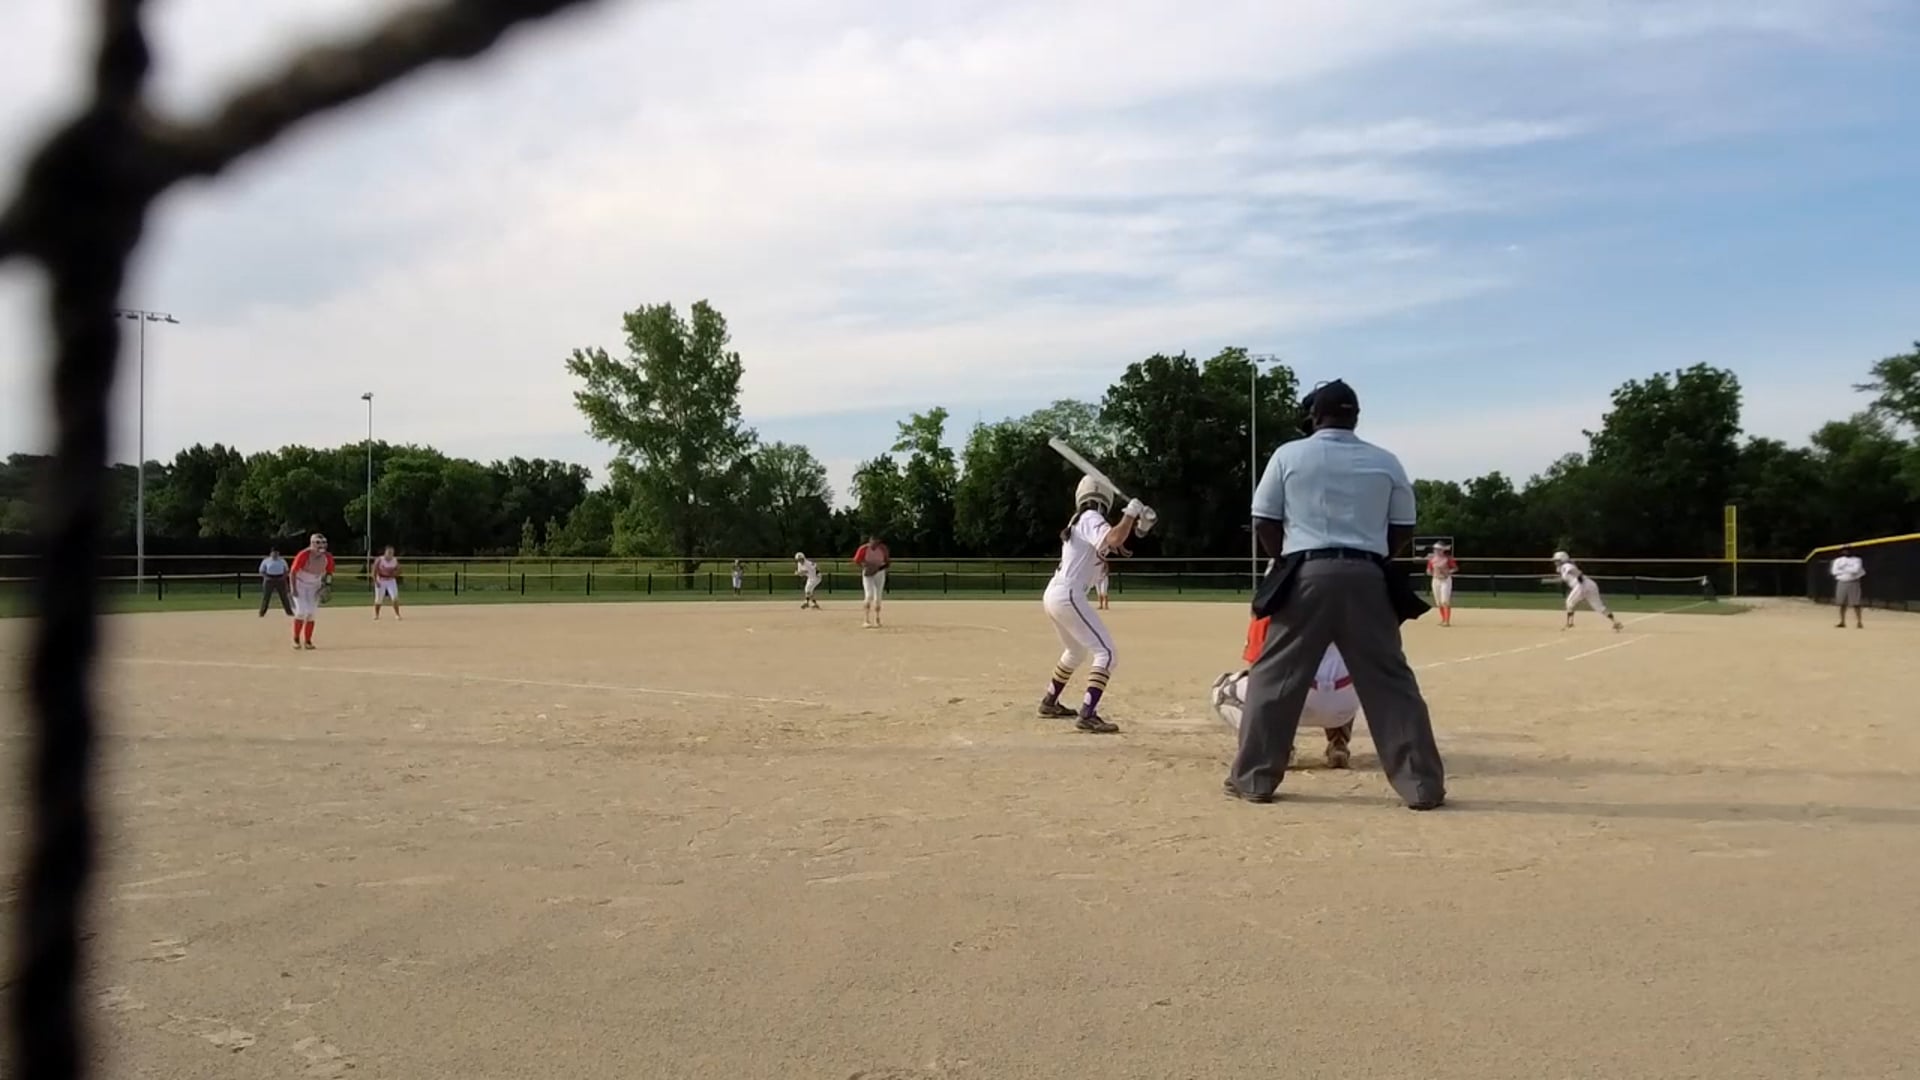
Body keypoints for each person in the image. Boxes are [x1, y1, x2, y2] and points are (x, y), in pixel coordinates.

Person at [1226, 378, 1445, 810]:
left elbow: (1264, 519)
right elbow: (1403, 527)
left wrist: (1284, 560)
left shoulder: (1288, 455)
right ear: (1355, 417)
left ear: (1314, 416)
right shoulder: (1386, 461)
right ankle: (1421, 785)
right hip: (1368, 575)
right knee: (1391, 682)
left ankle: (1254, 778)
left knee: (1275, 676)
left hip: (1306, 572)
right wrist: (1373, 555)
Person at [1037, 477, 1154, 733]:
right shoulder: (1091, 517)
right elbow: (1114, 539)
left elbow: (1117, 543)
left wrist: (1140, 527)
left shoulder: (1081, 520)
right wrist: (1131, 512)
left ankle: (1049, 702)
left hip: (1057, 593)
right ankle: (1087, 714)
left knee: (1076, 651)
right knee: (1107, 653)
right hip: (1068, 594)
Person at [1211, 616, 1359, 767]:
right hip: (1345, 709)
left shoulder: (1270, 609)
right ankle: (1339, 743)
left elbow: (1259, 676)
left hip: (1300, 702)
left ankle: (1277, 748)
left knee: (1222, 691)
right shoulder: (1355, 609)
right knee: (1345, 670)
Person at [1552, 551, 1622, 632]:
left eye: (1557, 560)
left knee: (1569, 602)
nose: (1555, 562)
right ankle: (1616, 622)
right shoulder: (1563, 568)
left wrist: (1579, 577)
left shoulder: (1566, 565)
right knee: (1598, 606)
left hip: (1582, 585)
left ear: (1562, 559)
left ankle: (1570, 624)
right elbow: (1566, 577)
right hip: (1590, 584)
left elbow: (1574, 571)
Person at [288, 533, 335, 650]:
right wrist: (293, 588)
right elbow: (293, 572)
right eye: (318, 543)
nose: (321, 545)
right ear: (312, 544)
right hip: (300, 584)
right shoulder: (304, 554)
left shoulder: (327, 557)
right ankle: (296, 639)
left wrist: (327, 585)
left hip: (315, 586)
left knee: (311, 614)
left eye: (324, 543)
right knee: (301, 612)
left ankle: (308, 641)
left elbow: (329, 572)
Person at [852, 536, 890, 628]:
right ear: (870, 540)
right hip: (868, 573)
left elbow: (887, 563)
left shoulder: (882, 548)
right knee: (869, 595)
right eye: (873, 541)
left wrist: (877, 568)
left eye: (877, 541)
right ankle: (866, 619)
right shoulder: (864, 549)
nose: (875, 543)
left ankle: (877, 619)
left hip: (879, 573)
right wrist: (866, 567)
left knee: (878, 597)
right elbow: (857, 560)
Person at [1829, 545, 1865, 628]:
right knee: (1842, 603)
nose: (1846, 551)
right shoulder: (1838, 560)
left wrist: (1842, 569)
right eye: (1844, 550)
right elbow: (1834, 572)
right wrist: (1848, 569)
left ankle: (1859, 622)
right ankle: (1842, 621)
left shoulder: (1857, 560)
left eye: (1848, 550)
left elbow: (1855, 570)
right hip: (1842, 581)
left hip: (1853, 582)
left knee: (1856, 603)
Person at [1426, 541, 1458, 627]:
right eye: (1435, 549)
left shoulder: (1447, 558)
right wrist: (1430, 572)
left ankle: (1447, 621)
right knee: (1439, 602)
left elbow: (1455, 568)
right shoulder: (1432, 559)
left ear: (1443, 550)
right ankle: (1443, 619)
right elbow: (1429, 570)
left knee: (1445, 601)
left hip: (1445, 580)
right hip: (1436, 580)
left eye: (1439, 549)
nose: (1437, 551)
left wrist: (1448, 572)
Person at [258, 548, 292, 617]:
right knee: (266, 596)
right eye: (274, 553)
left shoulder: (282, 561)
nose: (275, 554)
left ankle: (289, 612)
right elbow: (261, 571)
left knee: (284, 596)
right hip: (269, 579)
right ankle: (262, 612)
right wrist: (266, 577)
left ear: (278, 553)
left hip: (280, 579)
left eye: (276, 553)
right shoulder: (266, 561)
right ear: (271, 553)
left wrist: (283, 577)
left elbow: (286, 570)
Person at [372, 545, 403, 620]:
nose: (390, 554)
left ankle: (397, 614)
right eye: (389, 552)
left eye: (392, 552)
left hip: (391, 580)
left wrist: (395, 574)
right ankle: (376, 615)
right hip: (381, 580)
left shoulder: (394, 560)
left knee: (395, 597)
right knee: (378, 599)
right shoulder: (380, 560)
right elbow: (374, 571)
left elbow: (399, 570)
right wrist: (376, 581)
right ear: (385, 552)